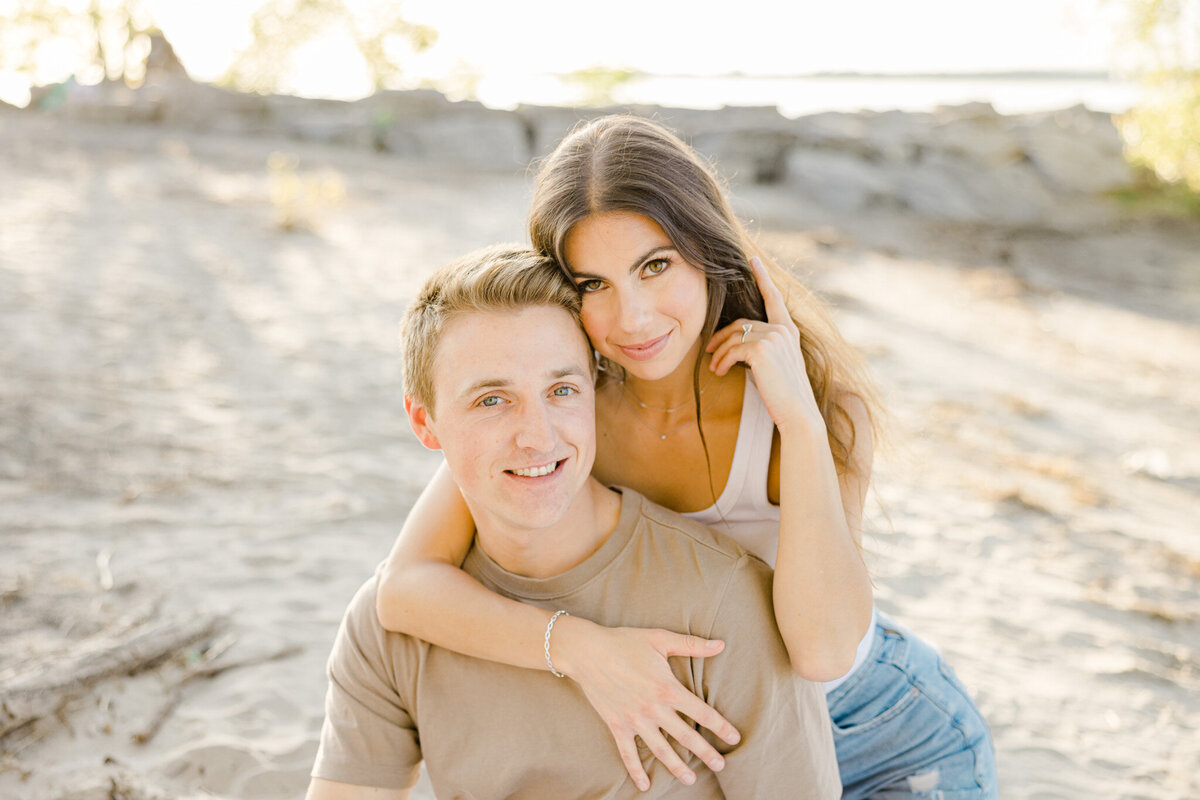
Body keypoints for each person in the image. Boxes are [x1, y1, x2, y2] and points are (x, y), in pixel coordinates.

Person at [376, 116, 997, 799]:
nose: (634, 318)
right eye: (593, 285)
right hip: (714, 746)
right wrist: (579, 649)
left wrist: (800, 423)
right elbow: (405, 590)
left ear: (708, 248)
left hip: (885, 736)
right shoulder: (566, 408)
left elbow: (821, 652)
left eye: (655, 265)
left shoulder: (814, 403)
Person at [306, 245, 840, 799]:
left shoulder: (722, 604)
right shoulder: (392, 623)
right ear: (425, 422)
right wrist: (572, 646)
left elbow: (826, 652)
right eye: (492, 401)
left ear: (594, 391)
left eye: (561, 390)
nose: (538, 436)